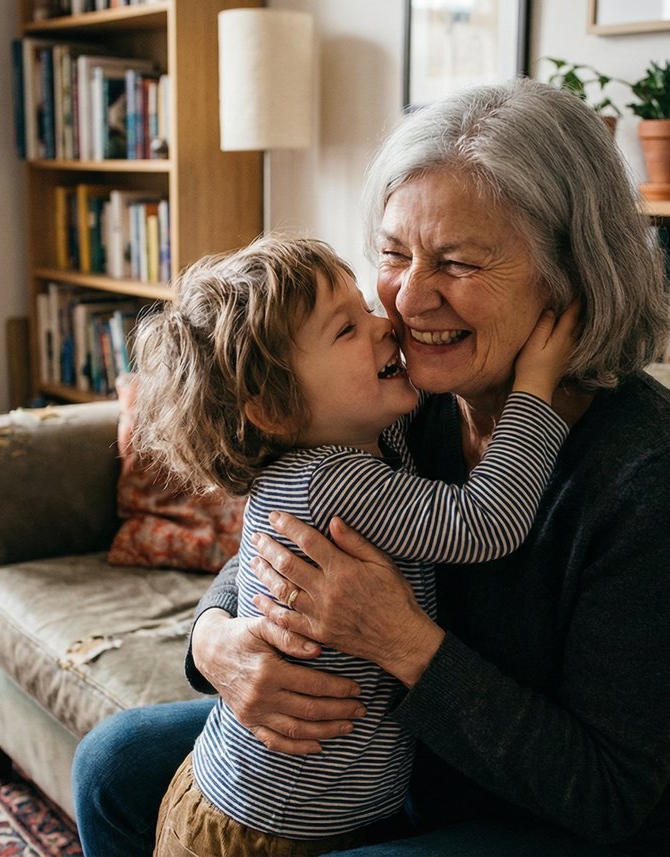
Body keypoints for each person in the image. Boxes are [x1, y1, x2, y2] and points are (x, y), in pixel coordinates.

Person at [73, 77, 670, 856]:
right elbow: (288, 525)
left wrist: (403, 641)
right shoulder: (399, 393)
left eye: (455, 262)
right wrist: (217, 639)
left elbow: (609, 790)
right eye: (392, 253)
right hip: (413, 747)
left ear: (572, 276)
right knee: (112, 765)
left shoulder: (652, 471)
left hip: (574, 813)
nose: (410, 300)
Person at [125, 234, 576, 856]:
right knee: (109, 762)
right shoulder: (332, 475)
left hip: (271, 803)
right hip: (272, 830)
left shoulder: (340, 443)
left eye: (364, 306)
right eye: (346, 330)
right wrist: (535, 392)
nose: (385, 325)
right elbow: (484, 522)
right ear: (275, 412)